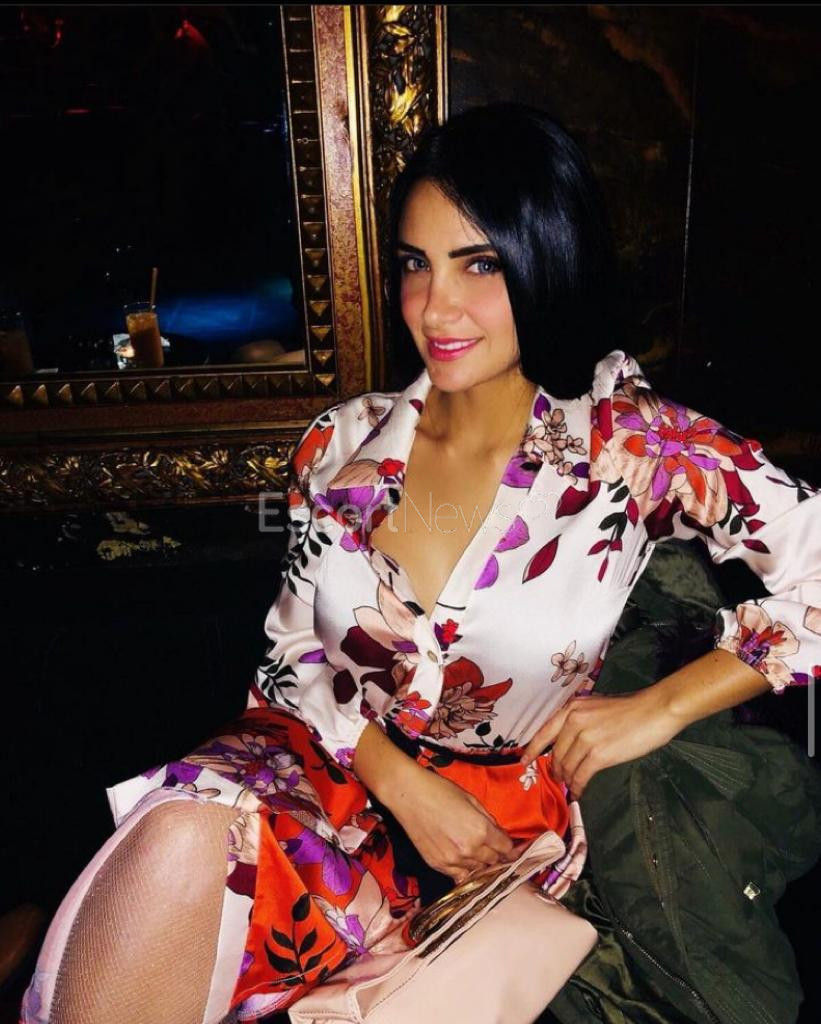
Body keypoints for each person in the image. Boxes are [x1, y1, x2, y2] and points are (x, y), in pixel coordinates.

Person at [20, 103, 821, 1024]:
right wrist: (398, 783)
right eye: (415, 263)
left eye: (479, 264)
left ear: (548, 260)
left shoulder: (635, 450)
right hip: (324, 761)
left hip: (492, 832)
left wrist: (660, 708)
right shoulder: (342, 441)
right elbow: (289, 652)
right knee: (178, 836)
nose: (434, 308)